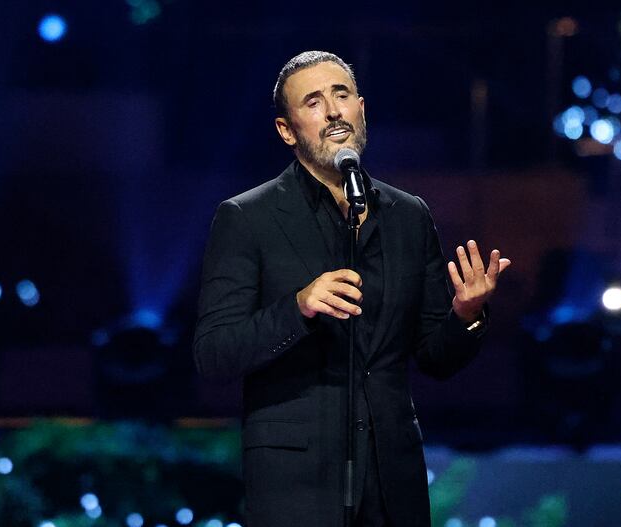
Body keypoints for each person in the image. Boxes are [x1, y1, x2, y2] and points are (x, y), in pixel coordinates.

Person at [193, 50, 511, 527]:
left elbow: (435, 358)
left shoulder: (408, 216)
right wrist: (297, 307)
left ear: (362, 108)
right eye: (314, 101)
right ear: (286, 130)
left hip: (392, 485)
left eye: (341, 95)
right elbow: (214, 355)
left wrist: (465, 315)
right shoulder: (246, 218)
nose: (334, 110)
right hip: (296, 487)